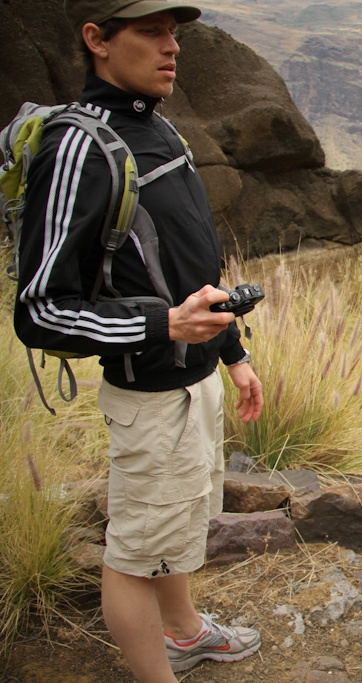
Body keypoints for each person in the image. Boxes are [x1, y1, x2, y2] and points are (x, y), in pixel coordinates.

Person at [13, 1, 265, 680]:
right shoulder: (78, 150)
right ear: (96, 39)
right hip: (150, 397)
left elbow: (187, 268)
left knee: (175, 524)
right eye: (150, 32)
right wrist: (165, 326)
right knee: (133, 553)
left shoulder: (157, 126)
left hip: (193, 381)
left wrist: (232, 354)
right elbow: (39, 311)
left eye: (174, 34)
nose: (171, 47)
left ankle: (183, 630)